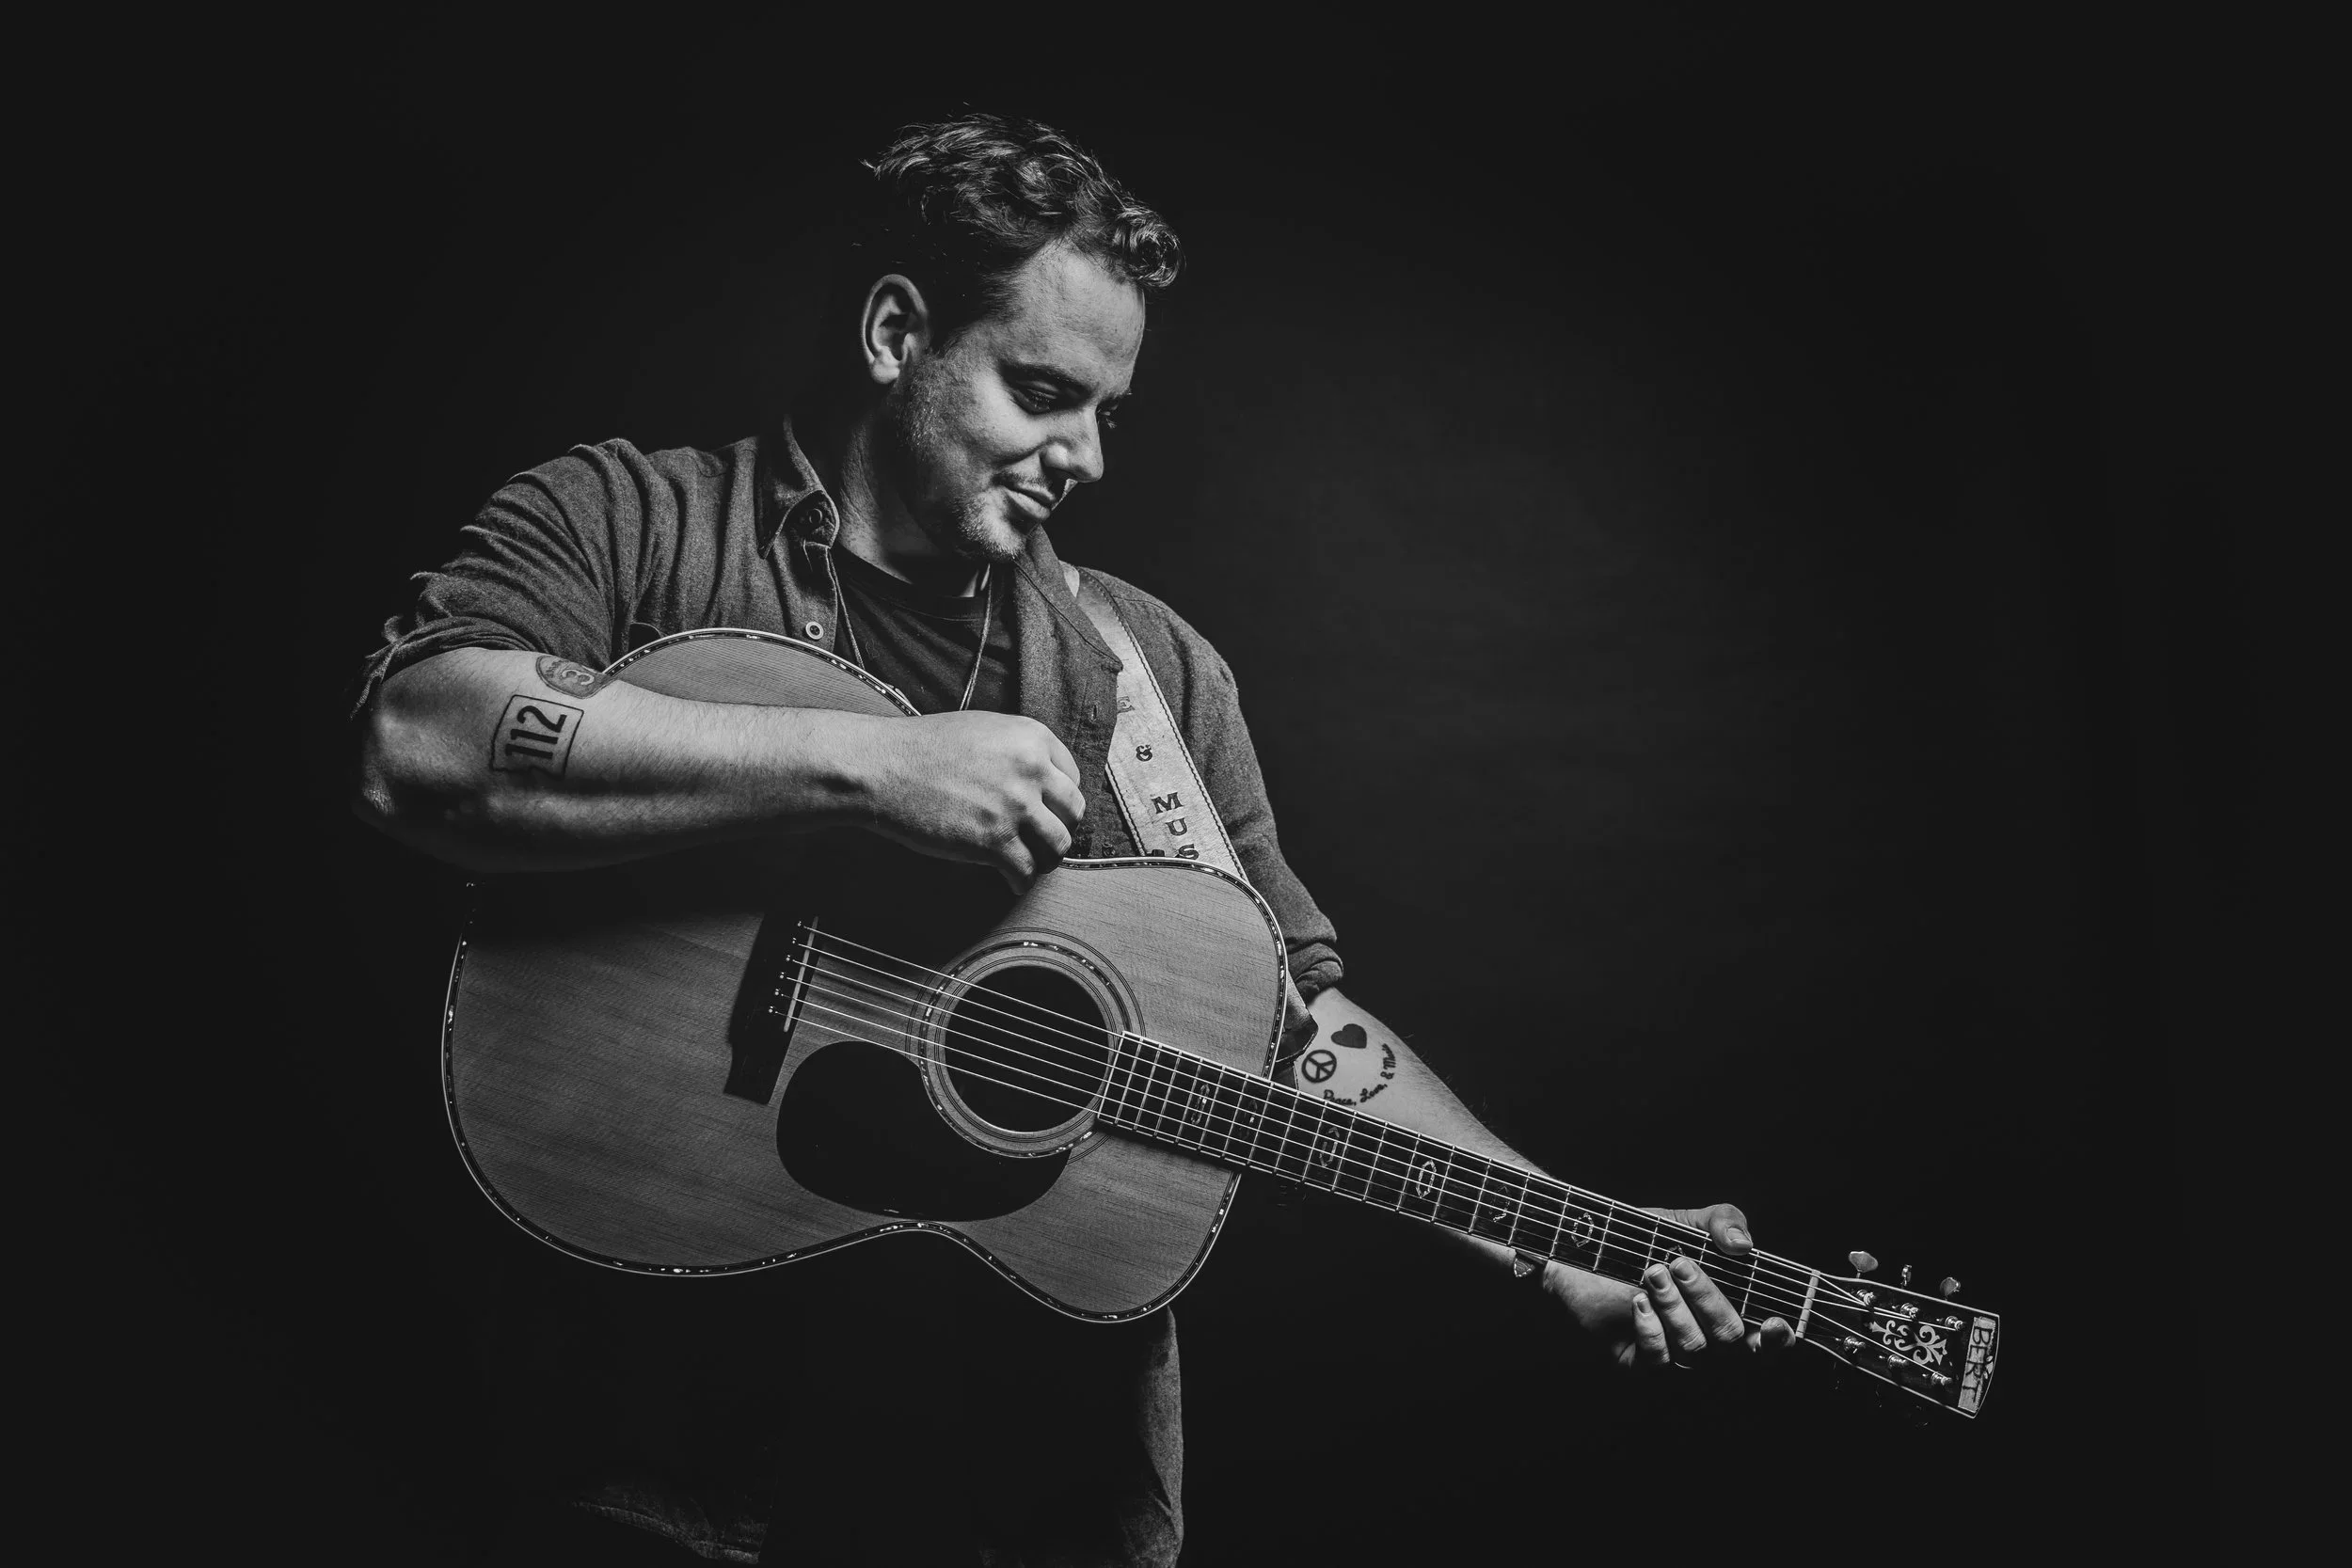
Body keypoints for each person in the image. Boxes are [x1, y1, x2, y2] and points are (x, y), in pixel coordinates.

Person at [352, 114, 1790, 1566]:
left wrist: (1567, 1243)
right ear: (896, 331)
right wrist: (868, 767)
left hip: (1031, 1474)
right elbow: (422, 739)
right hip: (664, 1451)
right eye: (1041, 390)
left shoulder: (1149, 672)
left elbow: (1291, 1028)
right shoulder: (630, 520)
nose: (1083, 452)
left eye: (1107, 410)